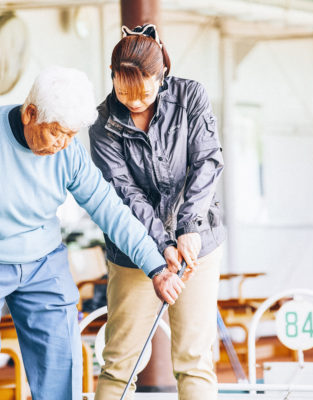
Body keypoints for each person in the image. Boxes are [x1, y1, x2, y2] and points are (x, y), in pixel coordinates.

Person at [0, 66, 185, 400]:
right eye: (57, 133)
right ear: (30, 113)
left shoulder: (68, 151)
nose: (64, 144)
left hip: (42, 262)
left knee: (61, 364)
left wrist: (156, 267)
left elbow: (109, 208)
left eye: (72, 135)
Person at [88, 25, 225, 400]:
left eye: (144, 93)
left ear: (161, 76)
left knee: (195, 359)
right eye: (123, 91)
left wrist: (190, 225)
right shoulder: (102, 124)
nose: (134, 102)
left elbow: (207, 162)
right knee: (120, 363)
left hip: (198, 243)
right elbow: (125, 194)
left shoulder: (191, 96)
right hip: (134, 250)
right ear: (113, 76)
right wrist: (161, 246)